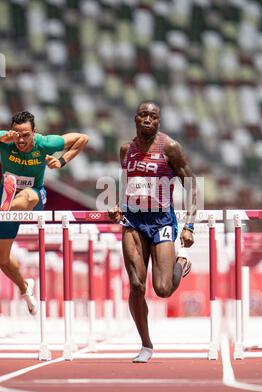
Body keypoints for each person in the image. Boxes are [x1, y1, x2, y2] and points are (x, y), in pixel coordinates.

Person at [109, 101, 197, 363]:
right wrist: (118, 206)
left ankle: (181, 263)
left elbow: (193, 187)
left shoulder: (170, 148)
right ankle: (146, 345)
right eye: (143, 115)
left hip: (161, 221)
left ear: (159, 121)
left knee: (162, 289)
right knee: (136, 284)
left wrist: (189, 225)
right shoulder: (126, 149)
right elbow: (128, 186)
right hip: (134, 221)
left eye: (153, 116)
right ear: (136, 118)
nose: (148, 119)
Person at [0, 111, 88, 315]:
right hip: (8, 200)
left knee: (27, 198)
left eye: (26, 135)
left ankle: (8, 198)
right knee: (2, 260)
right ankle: (25, 288)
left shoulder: (45, 143)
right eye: (16, 134)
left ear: (34, 132)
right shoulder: (6, 139)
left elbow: (82, 138)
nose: (20, 140)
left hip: (34, 195)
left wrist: (62, 161)